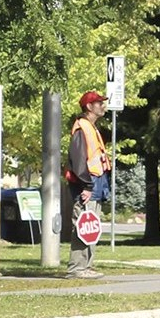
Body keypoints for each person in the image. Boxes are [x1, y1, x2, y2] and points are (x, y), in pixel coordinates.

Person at [65, 90, 110, 278]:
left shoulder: (91, 127)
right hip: (87, 184)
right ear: (89, 107)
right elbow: (78, 159)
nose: (103, 106)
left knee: (91, 227)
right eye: (99, 103)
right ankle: (77, 268)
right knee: (83, 226)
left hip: (95, 183)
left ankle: (87, 266)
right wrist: (87, 186)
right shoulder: (82, 128)